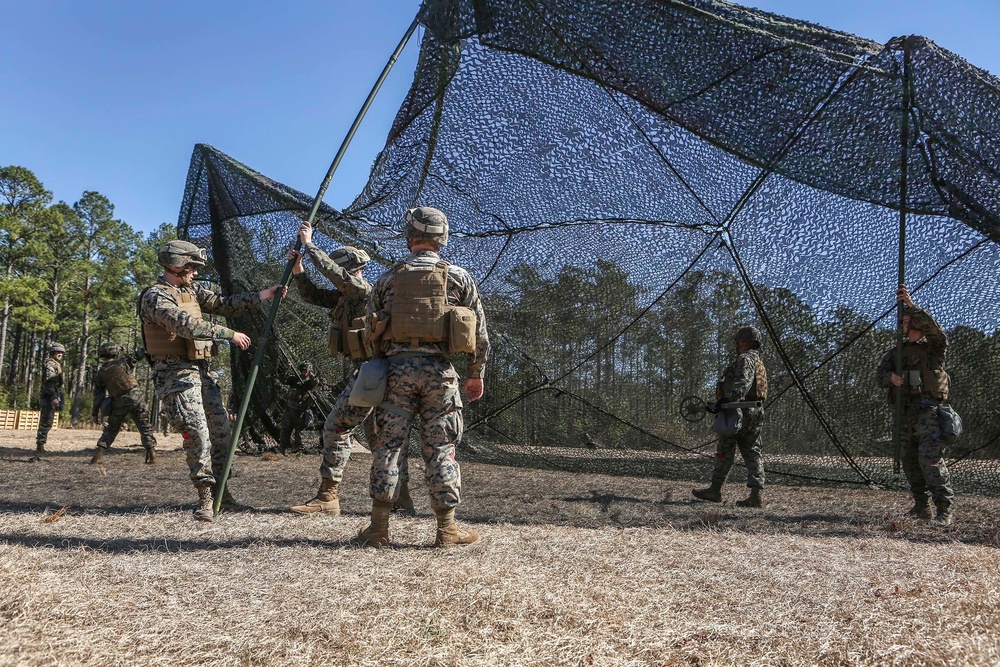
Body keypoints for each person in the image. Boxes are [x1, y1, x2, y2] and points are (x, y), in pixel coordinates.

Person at [357, 206, 489, 547]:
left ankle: (378, 529)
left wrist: (378, 364)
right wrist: (475, 374)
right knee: (441, 448)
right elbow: (480, 332)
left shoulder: (387, 277)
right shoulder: (459, 277)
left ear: (409, 236)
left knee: (388, 448)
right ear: (441, 238)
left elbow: (370, 328)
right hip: (439, 374)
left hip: (395, 373)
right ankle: (446, 530)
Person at [138, 239, 285, 521]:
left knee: (221, 433)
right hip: (175, 374)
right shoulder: (155, 296)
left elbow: (223, 304)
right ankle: (205, 496)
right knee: (197, 433)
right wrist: (229, 334)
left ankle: (223, 494)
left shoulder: (190, 291)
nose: (194, 272)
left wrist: (264, 295)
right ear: (176, 265)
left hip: (201, 371)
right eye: (191, 267)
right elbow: (185, 324)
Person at [286, 221, 414, 516]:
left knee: (337, 426)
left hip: (374, 374)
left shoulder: (363, 290)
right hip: (373, 375)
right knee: (380, 438)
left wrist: (310, 244)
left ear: (346, 269)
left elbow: (337, 276)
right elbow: (311, 295)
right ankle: (401, 500)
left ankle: (328, 497)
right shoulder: (345, 296)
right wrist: (298, 268)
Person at [877, 285, 954, 527]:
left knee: (930, 461)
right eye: (903, 321)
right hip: (905, 412)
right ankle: (921, 507)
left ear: (918, 325)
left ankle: (944, 509)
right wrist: (890, 378)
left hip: (928, 412)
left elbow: (938, 333)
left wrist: (911, 305)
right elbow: (880, 375)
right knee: (909, 460)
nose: (903, 325)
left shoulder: (933, 349)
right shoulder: (896, 352)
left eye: (908, 321)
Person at [692, 326, 769, 507]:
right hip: (754, 412)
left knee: (724, 451)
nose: (736, 345)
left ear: (743, 342)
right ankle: (755, 495)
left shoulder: (745, 358)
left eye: (738, 341)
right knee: (752, 452)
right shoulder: (758, 361)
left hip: (739, 411)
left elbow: (743, 383)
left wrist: (727, 400)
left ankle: (715, 490)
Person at [89, 342, 158, 464]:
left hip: (119, 401)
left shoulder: (101, 373)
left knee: (111, 429)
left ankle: (97, 456)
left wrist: (95, 413)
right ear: (116, 353)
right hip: (136, 397)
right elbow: (140, 353)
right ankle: (152, 456)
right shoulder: (124, 361)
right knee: (144, 426)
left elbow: (98, 395)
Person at [279, 361, 318, 454]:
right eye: (302, 370)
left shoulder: (309, 382)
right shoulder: (294, 379)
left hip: (300, 409)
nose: (304, 372)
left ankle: (298, 448)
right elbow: (283, 379)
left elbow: (315, 382)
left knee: (299, 429)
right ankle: (284, 446)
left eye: (306, 370)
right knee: (286, 428)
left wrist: (311, 375)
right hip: (290, 407)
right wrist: (287, 369)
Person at [35, 342, 65, 453]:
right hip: (48, 396)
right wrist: (54, 397)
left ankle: (41, 444)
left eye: (61, 352)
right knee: (46, 420)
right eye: (58, 352)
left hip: (52, 395)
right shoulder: (50, 365)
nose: (60, 354)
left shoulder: (55, 364)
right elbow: (49, 383)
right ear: (53, 352)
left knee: (48, 420)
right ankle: (40, 446)